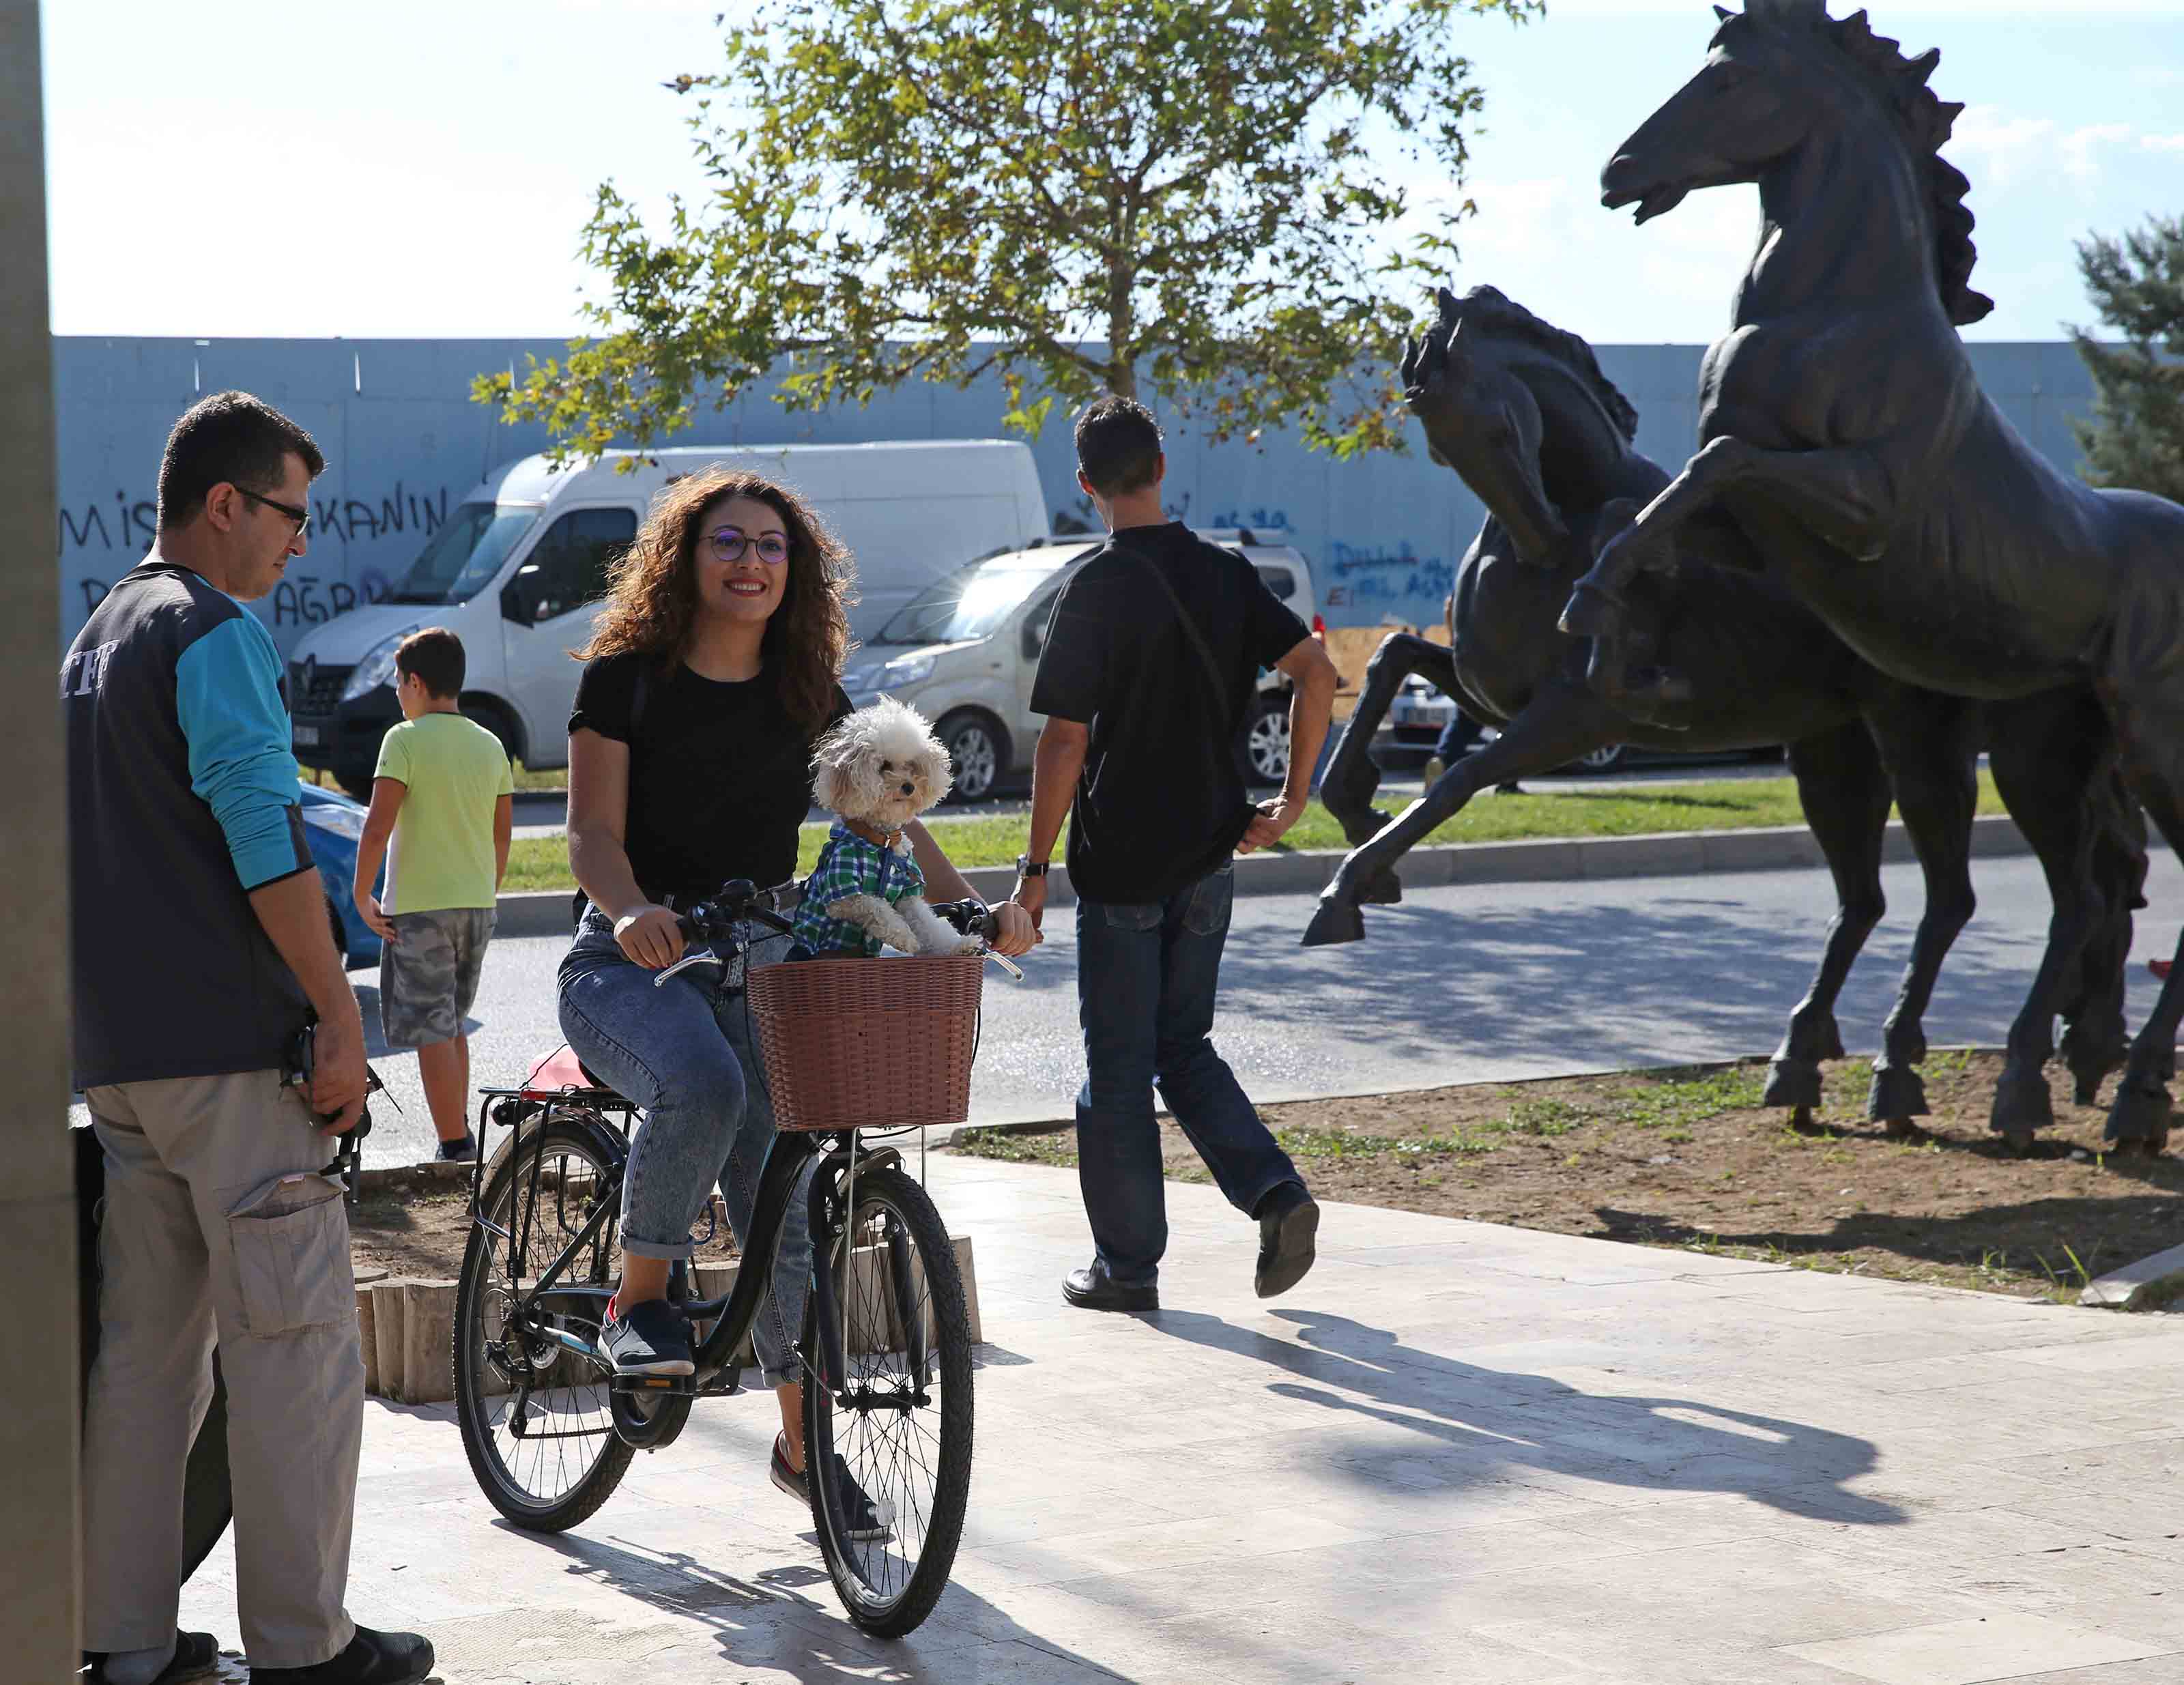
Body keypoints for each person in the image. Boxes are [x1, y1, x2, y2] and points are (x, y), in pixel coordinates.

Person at [556, 465, 1035, 1525]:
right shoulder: (627, 677)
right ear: (686, 558)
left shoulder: (809, 691)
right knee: (702, 1080)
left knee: (789, 1200)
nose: (752, 561)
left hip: (766, 958)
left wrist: (975, 913)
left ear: (796, 568)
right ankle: (641, 1305)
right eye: (729, 542)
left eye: (772, 546)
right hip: (629, 959)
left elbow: (892, 825)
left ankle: (802, 1446)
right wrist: (635, 909)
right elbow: (591, 836)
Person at [66, 392, 432, 1685]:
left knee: (145, 1367)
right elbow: (260, 835)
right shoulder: (210, 631)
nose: (298, 544)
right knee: (294, 1356)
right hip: (235, 1058)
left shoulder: (94, 638)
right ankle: (306, 1646)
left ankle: (123, 1643)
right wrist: (340, 1012)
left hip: (123, 1064)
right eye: (289, 515)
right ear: (226, 503)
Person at [1008, 395, 1339, 1312]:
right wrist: (1296, 795)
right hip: (1211, 855)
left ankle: (1127, 1267)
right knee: (1183, 1048)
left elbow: (1064, 740)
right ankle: (1276, 1195)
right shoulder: (1229, 574)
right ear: (1161, 464)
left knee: (1117, 1068)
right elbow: (1317, 672)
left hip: (1120, 863)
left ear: (1086, 485)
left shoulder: (1097, 586)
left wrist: (1033, 876)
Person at [352, 628, 515, 1161]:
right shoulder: (490, 744)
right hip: (476, 906)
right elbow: (501, 833)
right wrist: (485, 889)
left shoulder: (404, 739)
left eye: (399, 684)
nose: (397, 694)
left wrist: (361, 894)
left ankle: (453, 1144)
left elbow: (378, 827)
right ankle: (459, 1128)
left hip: (419, 909)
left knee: (431, 1030)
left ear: (416, 683)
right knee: (451, 1025)